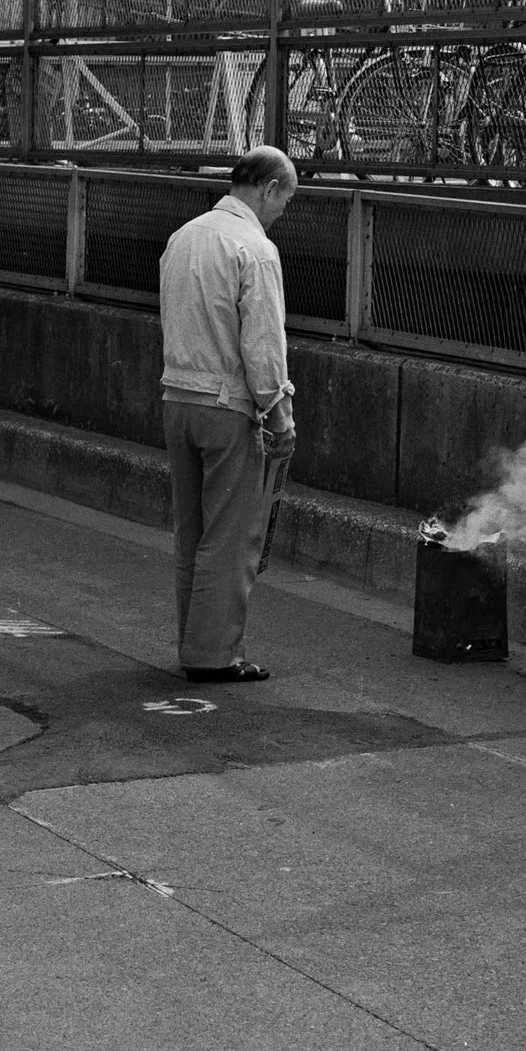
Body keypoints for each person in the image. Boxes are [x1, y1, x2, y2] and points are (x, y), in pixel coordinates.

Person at [158, 146, 298, 680]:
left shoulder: (183, 237)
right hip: (227, 407)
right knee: (231, 536)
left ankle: (192, 644)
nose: (282, 213)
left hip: (178, 400)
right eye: (285, 201)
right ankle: (215, 656)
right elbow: (263, 347)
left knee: (191, 533)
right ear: (269, 189)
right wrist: (279, 414)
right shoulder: (254, 250)